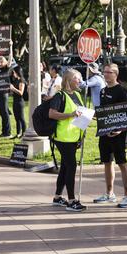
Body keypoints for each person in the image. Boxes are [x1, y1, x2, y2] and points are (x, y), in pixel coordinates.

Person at [93, 63, 127, 208]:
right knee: (107, 162)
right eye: (104, 72)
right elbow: (104, 111)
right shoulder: (102, 91)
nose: (106, 74)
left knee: (122, 163)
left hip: (119, 134)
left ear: (115, 74)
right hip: (105, 133)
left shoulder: (122, 91)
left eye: (109, 72)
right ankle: (109, 193)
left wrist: (121, 129)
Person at [48, 69, 86, 212]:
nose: (80, 82)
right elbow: (52, 114)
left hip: (74, 136)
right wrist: (70, 114)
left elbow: (80, 113)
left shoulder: (77, 95)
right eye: (78, 79)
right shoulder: (59, 96)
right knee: (71, 166)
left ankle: (58, 197)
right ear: (69, 80)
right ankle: (71, 200)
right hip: (63, 138)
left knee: (65, 166)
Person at [0, 56, 12, 138]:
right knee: (2, 113)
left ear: (5, 62)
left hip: (4, 93)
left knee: (5, 113)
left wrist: (10, 47)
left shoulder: (6, 68)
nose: (0, 63)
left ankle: (8, 133)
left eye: (2, 62)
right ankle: (4, 132)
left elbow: (10, 59)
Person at [9, 63, 26, 138]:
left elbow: (21, 92)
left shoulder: (21, 81)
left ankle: (24, 133)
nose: (13, 74)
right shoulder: (15, 80)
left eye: (14, 72)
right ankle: (18, 133)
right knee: (16, 118)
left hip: (20, 102)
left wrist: (13, 89)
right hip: (15, 100)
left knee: (21, 118)